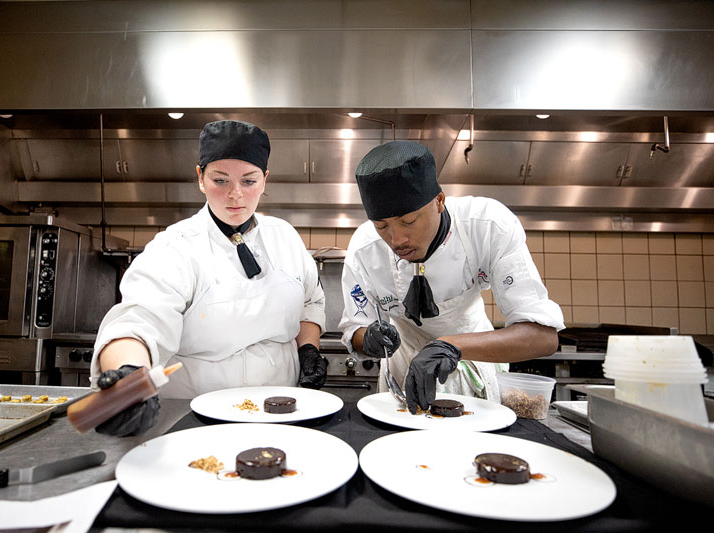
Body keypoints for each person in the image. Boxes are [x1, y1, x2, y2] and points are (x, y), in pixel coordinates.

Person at [90, 120, 327, 436]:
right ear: (200, 177)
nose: (235, 195)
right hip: (192, 419)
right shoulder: (176, 246)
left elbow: (309, 302)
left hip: (280, 414)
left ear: (265, 179)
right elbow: (139, 320)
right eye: (220, 180)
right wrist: (129, 375)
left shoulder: (285, 237)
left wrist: (308, 350)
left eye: (249, 181)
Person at [338, 141, 565, 414]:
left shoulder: (488, 226)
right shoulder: (364, 249)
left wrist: (452, 346)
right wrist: (370, 339)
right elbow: (356, 330)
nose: (396, 240)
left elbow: (543, 337)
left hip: (471, 363)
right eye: (382, 226)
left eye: (409, 221)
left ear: (439, 201)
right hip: (401, 378)